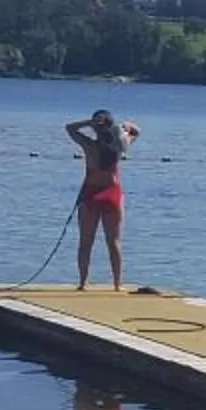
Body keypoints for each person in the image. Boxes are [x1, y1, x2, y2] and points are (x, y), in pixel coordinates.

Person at [66, 110, 138, 289]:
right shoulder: (120, 146)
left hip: (92, 193)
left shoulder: (89, 145)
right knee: (113, 241)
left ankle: (83, 283)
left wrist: (89, 123)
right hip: (112, 193)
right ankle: (117, 284)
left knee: (86, 241)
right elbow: (136, 131)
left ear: (96, 128)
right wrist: (123, 126)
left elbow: (70, 128)